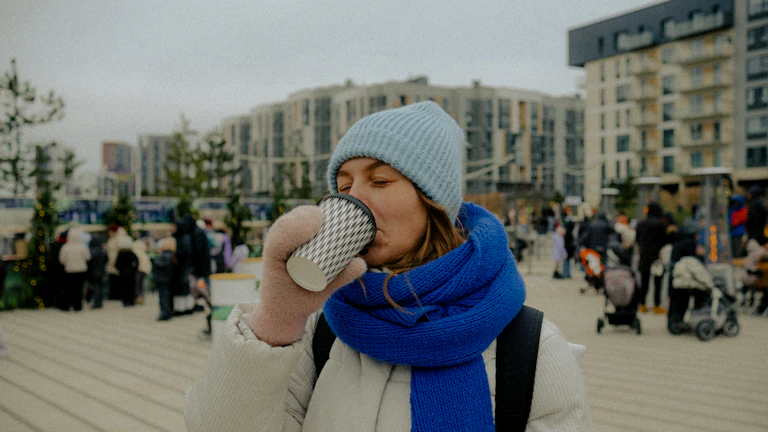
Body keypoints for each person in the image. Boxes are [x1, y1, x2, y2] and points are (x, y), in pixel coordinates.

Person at [185, 101, 592, 431]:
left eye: (379, 182)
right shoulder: (319, 330)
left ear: (433, 203)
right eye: (344, 187)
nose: (355, 199)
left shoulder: (531, 346)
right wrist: (274, 319)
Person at [635, 202, 669, 314]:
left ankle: (642, 304)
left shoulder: (640, 224)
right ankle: (657, 305)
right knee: (657, 283)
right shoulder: (661, 224)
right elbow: (664, 241)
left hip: (644, 257)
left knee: (644, 282)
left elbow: (637, 240)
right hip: (656, 258)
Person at [57, 228, 91, 311]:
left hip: (69, 270)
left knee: (69, 288)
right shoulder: (83, 246)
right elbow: (88, 257)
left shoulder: (65, 247)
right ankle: (78, 306)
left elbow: (62, 260)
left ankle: (68, 305)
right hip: (81, 270)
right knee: (79, 289)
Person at [153, 237, 176, 321]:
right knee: (166, 296)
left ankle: (165, 313)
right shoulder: (171, 255)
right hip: (166, 279)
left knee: (163, 297)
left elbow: (158, 263)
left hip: (163, 279)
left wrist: (158, 256)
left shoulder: (165, 255)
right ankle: (167, 312)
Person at [115, 236, 139, 307]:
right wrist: (134, 269)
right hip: (131, 273)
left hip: (123, 273)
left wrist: (120, 270)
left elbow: (117, 264)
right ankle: (131, 301)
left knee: (123, 288)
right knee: (131, 287)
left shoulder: (120, 253)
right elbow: (136, 261)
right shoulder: (131, 253)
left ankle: (125, 301)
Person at [87, 236, 108, 309]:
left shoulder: (91, 251)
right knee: (100, 287)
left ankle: (96, 302)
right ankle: (100, 302)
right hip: (102, 271)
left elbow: (89, 262)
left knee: (95, 287)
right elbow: (106, 260)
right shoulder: (103, 251)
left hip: (93, 272)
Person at [133, 239, 152, 305]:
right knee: (140, 285)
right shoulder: (144, 253)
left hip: (139, 270)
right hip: (144, 271)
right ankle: (140, 297)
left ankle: (139, 298)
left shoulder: (136, 252)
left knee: (137, 285)